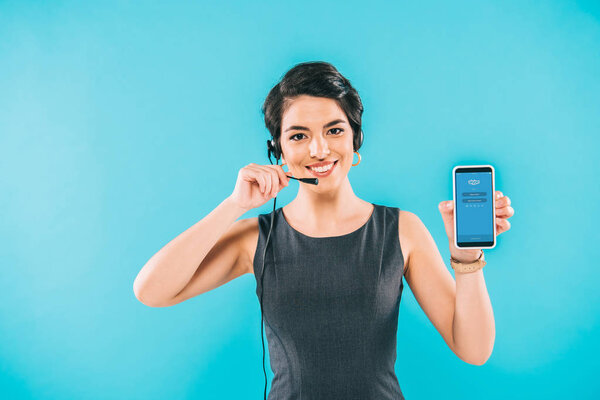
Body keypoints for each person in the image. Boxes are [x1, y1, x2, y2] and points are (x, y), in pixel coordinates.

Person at [133, 61, 514, 399]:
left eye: (334, 130)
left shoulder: (401, 230)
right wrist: (235, 205)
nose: (318, 149)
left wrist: (466, 256)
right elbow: (150, 291)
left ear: (355, 138)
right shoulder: (256, 239)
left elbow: (474, 349)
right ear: (277, 150)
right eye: (298, 136)